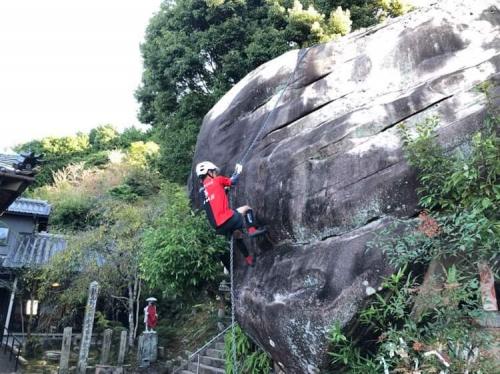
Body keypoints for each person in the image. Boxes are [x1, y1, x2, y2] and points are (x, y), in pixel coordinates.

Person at [196, 161, 266, 266]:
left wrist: (225, 189)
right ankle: (252, 230)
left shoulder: (201, 192)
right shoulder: (218, 180)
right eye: (214, 172)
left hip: (218, 229)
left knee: (237, 234)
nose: (215, 174)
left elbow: (217, 198)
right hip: (228, 219)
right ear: (209, 172)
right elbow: (233, 181)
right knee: (247, 209)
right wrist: (238, 171)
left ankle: (248, 259)